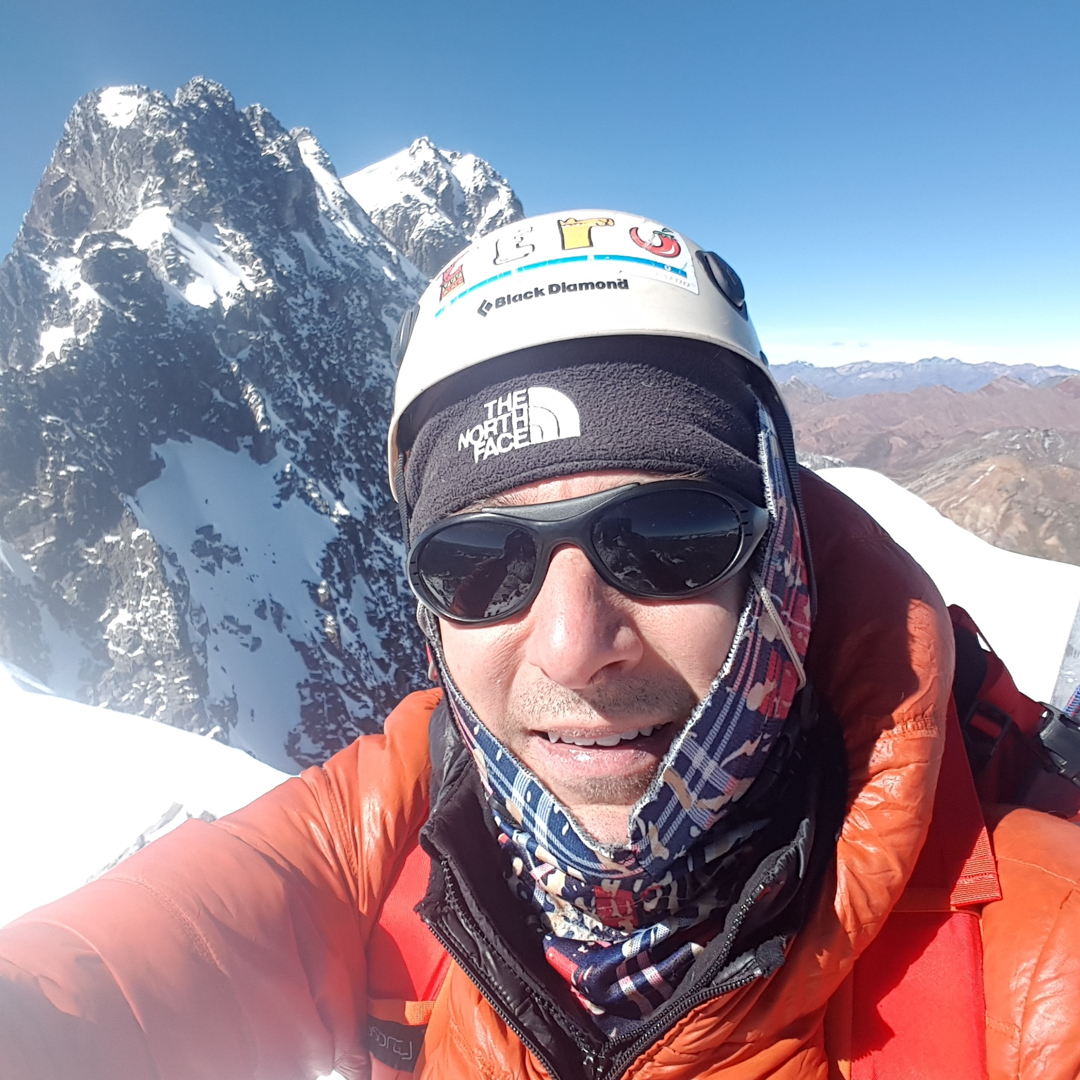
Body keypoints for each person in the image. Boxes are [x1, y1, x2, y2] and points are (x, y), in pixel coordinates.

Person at [1, 209, 1079, 1080]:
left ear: (779, 557)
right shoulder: (399, 821)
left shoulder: (1035, 949)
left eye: (670, 541)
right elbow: (99, 979)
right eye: (479, 565)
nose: (573, 647)